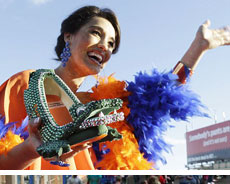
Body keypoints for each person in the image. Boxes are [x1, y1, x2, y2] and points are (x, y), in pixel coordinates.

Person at [1, 10, 230, 170]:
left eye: (111, 43)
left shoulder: (107, 108)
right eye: (96, 33)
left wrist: (198, 47)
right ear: (68, 36)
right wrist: (31, 149)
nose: (105, 46)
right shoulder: (27, 83)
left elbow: (160, 98)